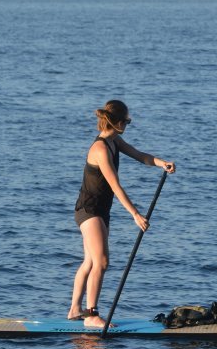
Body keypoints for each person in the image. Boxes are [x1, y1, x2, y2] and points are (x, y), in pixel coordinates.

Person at [68, 100, 176, 328]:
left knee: (89, 261)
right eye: (126, 121)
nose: (127, 125)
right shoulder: (99, 149)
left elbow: (139, 155)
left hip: (99, 210)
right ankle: (91, 315)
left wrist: (161, 163)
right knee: (102, 262)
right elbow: (115, 186)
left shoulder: (114, 140)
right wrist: (135, 215)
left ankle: (74, 309)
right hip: (89, 210)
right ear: (117, 123)